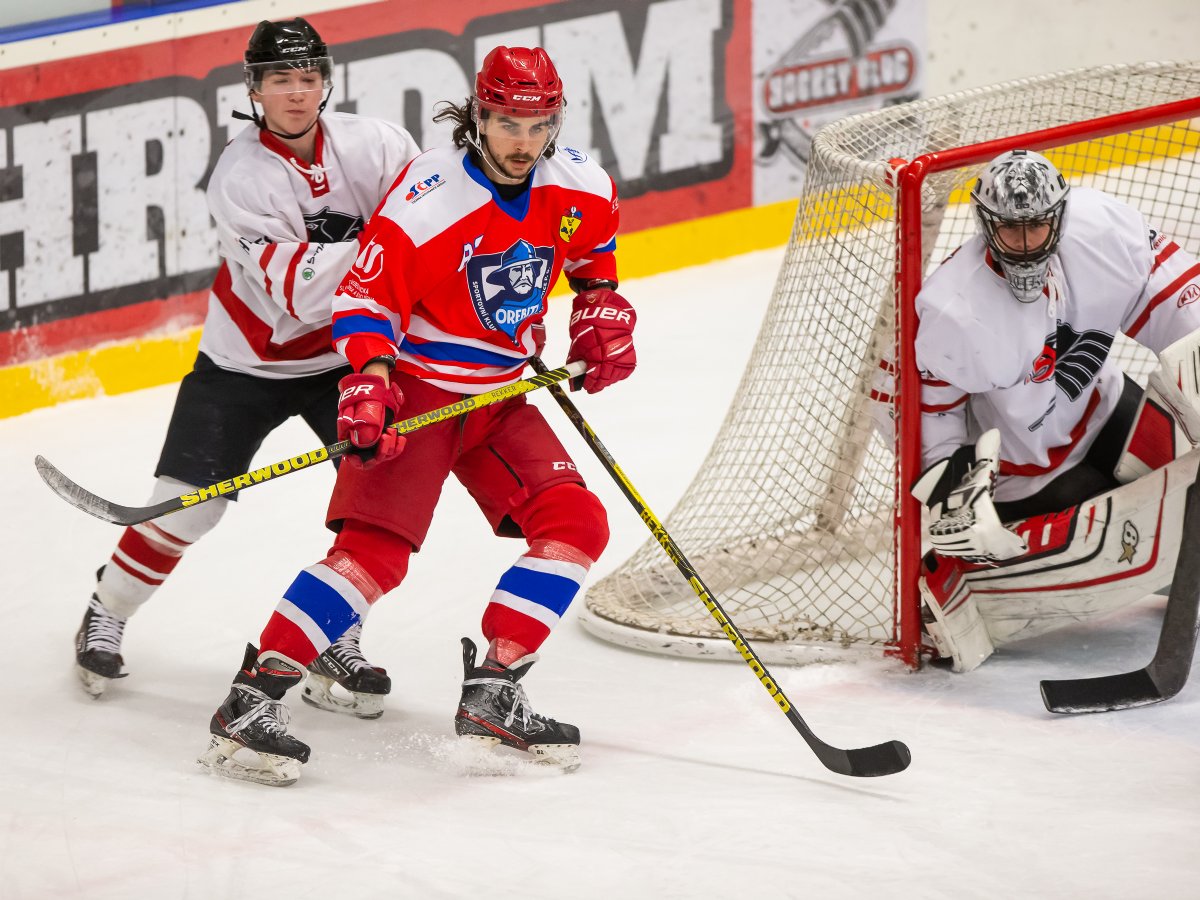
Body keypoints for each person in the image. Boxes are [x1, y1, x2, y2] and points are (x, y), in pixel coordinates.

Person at [197, 45, 636, 786]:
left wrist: (600, 309)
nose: (524, 142)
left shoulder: (581, 183)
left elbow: (592, 257)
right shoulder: (431, 197)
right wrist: (370, 379)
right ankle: (251, 701)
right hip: (423, 393)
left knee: (576, 523)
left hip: (500, 397)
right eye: (508, 124)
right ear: (479, 116)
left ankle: (495, 688)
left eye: (538, 126)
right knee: (373, 557)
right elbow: (366, 296)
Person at [73, 17, 421, 719]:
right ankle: (107, 606)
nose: (296, 93)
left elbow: (437, 224)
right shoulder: (241, 177)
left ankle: (332, 635)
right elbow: (304, 295)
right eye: (280, 79)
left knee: (376, 502)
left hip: (349, 358)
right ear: (254, 89)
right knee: (188, 508)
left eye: (308, 78)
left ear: (327, 81)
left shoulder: (379, 144)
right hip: (246, 363)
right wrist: (397, 253)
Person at [890, 148, 1200, 668]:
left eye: (1037, 226)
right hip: (1032, 471)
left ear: (1060, 215)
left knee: (1179, 523)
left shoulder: (1102, 230)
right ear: (985, 224)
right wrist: (953, 494)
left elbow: (1175, 297)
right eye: (1010, 230)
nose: (1026, 244)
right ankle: (968, 582)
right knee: (1132, 548)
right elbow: (930, 411)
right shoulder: (955, 309)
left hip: (1108, 409)